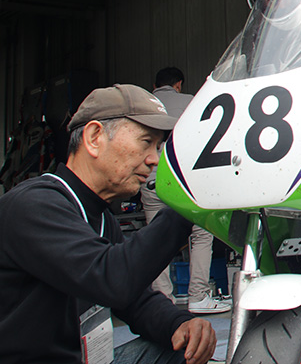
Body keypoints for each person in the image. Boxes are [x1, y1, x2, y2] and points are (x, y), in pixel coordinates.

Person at [0, 84, 216, 364]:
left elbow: (133, 300)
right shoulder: (33, 206)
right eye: (146, 142)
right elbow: (112, 279)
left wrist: (179, 324)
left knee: (184, 352)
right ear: (94, 137)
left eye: (158, 147)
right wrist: (186, 206)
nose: (154, 159)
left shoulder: (100, 216)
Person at [141, 67, 231, 314]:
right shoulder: (191, 102)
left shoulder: (145, 104)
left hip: (151, 179)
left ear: (155, 86)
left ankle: (162, 301)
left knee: (155, 239)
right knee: (201, 235)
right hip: (185, 182)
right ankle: (198, 297)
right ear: (178, 84)